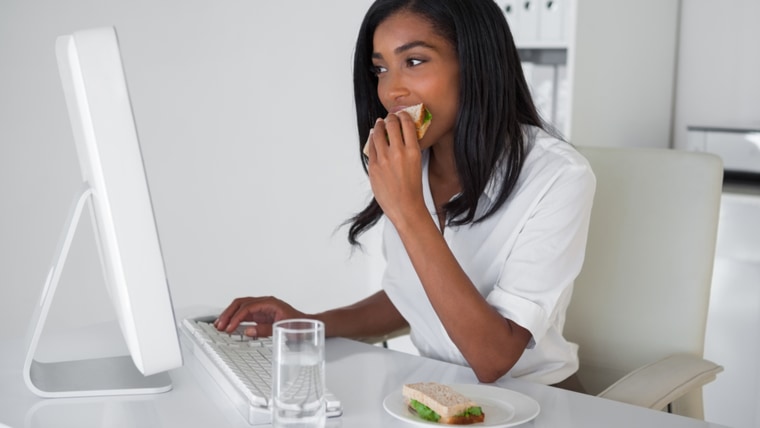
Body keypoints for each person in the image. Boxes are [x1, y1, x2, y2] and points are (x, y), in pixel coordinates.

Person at [214, 0, 595, 387]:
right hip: (442, 392)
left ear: (475, 63)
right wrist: (309, 324)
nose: (392, 90)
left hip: (540, 400)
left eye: (414, 61)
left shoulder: (558, 175)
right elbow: (412, 296)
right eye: (381, 69)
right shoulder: (415, 163)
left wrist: (409, 210)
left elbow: (493, 358)